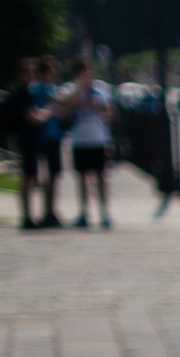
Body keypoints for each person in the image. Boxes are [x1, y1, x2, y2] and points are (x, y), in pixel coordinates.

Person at [56, 58, 114, 229]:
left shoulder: (101, 89)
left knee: (101, 177)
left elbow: (110, 113)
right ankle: (83, 213)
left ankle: (105, 213)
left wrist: (99, 106)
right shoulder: (70, 88)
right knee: (81, 178)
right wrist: (79, 90)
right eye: (82, 72)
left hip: (99, 138)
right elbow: (64, 105)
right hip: (79, 140)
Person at [20, 58, 64, 228]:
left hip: (55, 136)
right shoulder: (35, 89)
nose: (54, 74)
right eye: (52, 70)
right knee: (35, 176)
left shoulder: (53, 89)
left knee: (54, 175)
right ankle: (31, 214)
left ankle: (50, 211)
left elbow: (62, 103)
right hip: (39, 136)